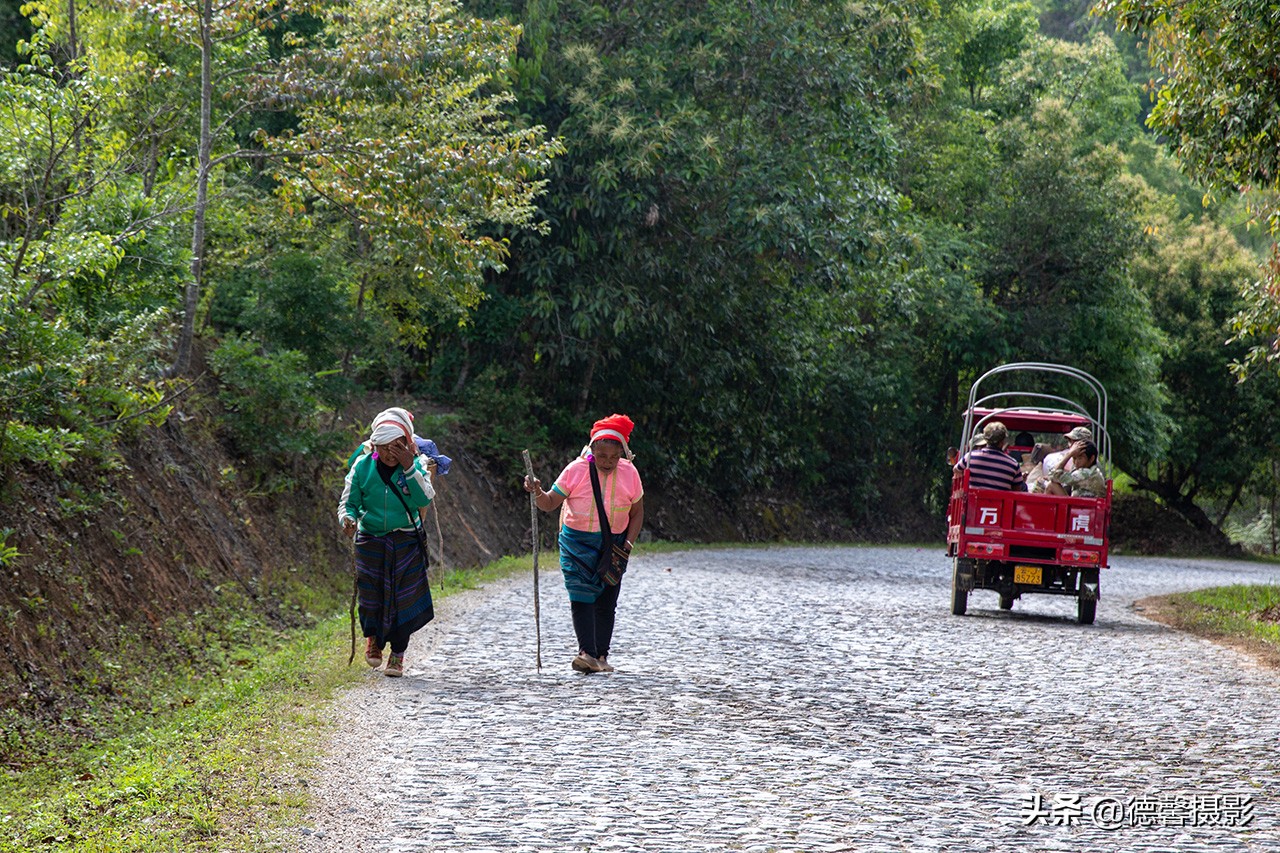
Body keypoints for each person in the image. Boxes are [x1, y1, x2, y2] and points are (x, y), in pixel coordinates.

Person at [523, 414, 645, 674]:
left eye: (614, 457)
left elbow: (637, 513)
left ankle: (601, 656)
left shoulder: (630, 473)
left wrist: (628, 546)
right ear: (592, 451)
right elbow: (548, 503)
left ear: (623, 454)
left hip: (614, 545)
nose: (608, 462)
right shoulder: (575, 470)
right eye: (602, 456)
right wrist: (536, 492)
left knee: (606, 600)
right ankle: (586, 653)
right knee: (580, 594)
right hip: (576, 542)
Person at [337, 408, 436, 677]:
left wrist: (408, 468)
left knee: (402, 600)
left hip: (405, 539)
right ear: (376, 446)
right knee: (372, 596)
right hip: (370, 540)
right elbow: (349, 502)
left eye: (398, 447)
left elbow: (423, 499)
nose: (392, 453)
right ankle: (374, 641)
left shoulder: (415, 466)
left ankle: (398, 655)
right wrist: (348, 518)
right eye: (386, 448)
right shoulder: (363, 466)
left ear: (406, 444)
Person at [954, 421, 1026, 491]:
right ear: (1002, 441)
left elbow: (956, 470)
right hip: (1000, 503)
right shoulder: (1013, 464)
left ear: (985, 439)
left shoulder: (970, 457)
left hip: (973, 501)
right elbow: (1016, 491)